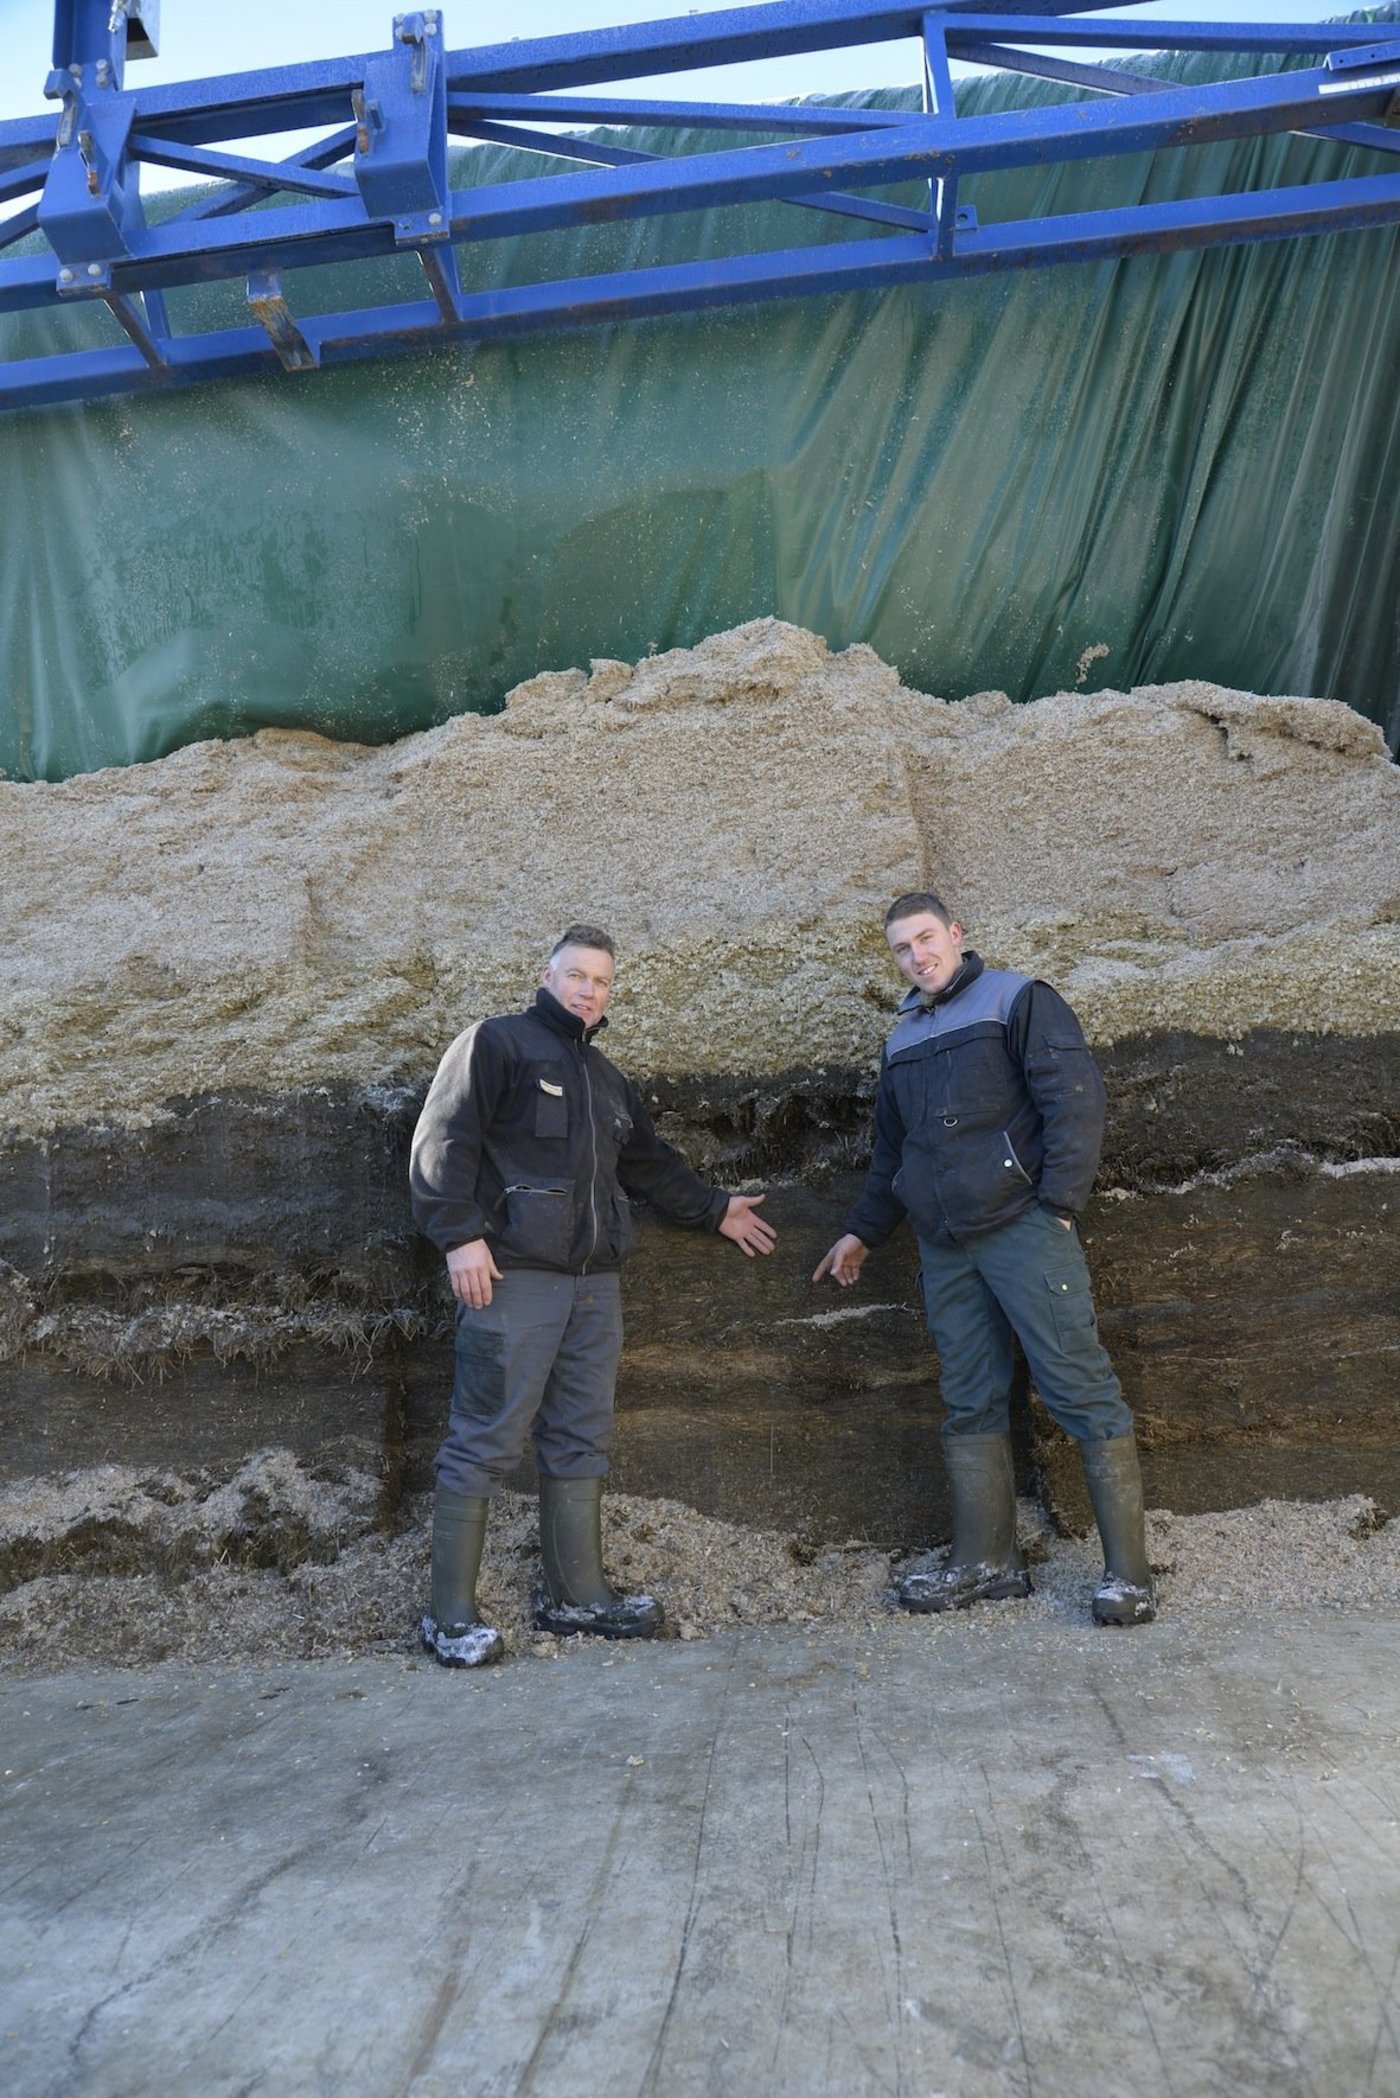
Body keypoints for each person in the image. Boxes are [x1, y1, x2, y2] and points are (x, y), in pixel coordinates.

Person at [410, 922, 777, 1667]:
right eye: (576, 975)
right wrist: (458, 1236)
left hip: (593, 1289)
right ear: (546, 976)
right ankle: (448, 1616)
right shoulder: (496, 1044)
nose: (588, 990)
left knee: (581, 1435)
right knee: (484, 1436)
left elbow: (648, 1164)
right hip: (511, 1279)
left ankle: (575, 1595)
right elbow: (442, 1139)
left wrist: (715, 1208)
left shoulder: (607, 1079)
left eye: (601, 981)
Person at [813, 892, 1155, 1627]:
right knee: (968, 1396)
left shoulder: (1017, 1000)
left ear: (956, 934)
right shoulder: (901, 1039)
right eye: (902, 948)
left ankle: (1129, 1574)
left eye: (926, 939)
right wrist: (863, 1232)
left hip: (1024, 1229)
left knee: (1079, 1386)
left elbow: (1075, 1101)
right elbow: (894, 1152)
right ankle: (988, 1562)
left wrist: (1057, 1206)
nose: (917, 956)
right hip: (945, 1246)